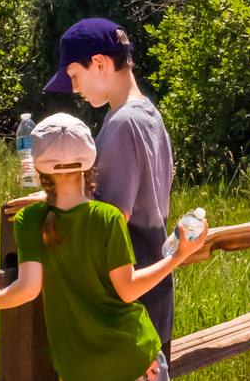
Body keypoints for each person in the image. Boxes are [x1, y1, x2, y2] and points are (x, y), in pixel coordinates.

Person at [0, 113, 208, 381]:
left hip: (80, 370)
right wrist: (179, 255)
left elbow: (28, 288)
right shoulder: (107, 217)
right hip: (136, 360)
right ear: (88, 163)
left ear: (39, 167)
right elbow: (128, 289)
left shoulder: (30, 220)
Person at [35, 19, 180, 353]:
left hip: (124, 309)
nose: (73, 88)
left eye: (74, 75)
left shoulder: (122, 124)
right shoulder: (150, 117)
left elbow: (110, 218)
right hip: (154, 299)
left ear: (99, 63)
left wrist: (48, 204)